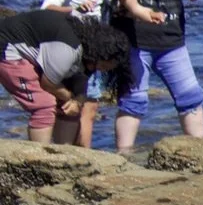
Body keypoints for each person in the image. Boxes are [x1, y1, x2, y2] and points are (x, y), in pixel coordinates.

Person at [114, 0, 203, 152]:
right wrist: (141, 12)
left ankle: (202, 151)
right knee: (134, 100)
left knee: (191, 96)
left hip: (172, 37)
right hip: (136, 38)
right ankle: (124, 155)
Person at [41, 0, 127, 147]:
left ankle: (75, 152)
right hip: (74, 49)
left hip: (94, 49)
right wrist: (73, 10)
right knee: (84, 107)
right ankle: (83, 157)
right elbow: (46, 8)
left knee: (89, 106)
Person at [0, 10, 129, 145]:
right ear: (100, 55)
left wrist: (77, 101)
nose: (103, 71)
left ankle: (63, 153)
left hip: (25, 49)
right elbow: (48, 83)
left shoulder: (86, 46)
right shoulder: (68, 50)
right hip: (6, 48)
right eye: (103, 67)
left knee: (68, 106)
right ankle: (39, 159)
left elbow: (80, 82)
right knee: (44, 105)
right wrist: (70, 97)